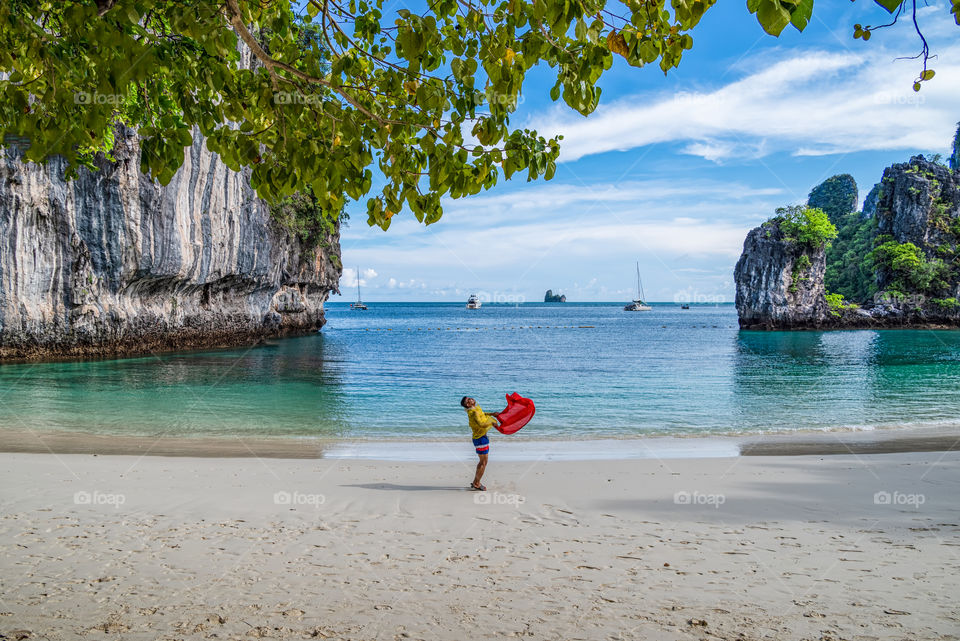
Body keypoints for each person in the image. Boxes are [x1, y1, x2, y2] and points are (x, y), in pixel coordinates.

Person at [461, 396, 499, 491]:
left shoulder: (475, 409)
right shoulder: (473, 412)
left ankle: (476, 482)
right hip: (480, 439)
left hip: (481, 438)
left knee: (483, 462)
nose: (470, 398)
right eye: (468, 400)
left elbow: (482, 414)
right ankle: (476, 483)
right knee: (483, 462)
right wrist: (492, 423)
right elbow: (481, 424)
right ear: (468, 404)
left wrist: (492, 414)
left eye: (469, 397)